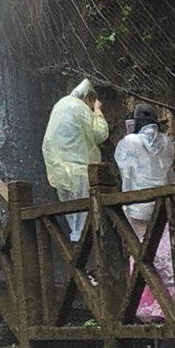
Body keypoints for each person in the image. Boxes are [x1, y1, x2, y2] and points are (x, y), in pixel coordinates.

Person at [42, 78, 109, 239]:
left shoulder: (60, 105)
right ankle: (85, 254)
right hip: (78, 169)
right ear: (89, 99)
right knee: (85, 220)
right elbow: (100, 134)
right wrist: (98, 112)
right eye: (91, 104)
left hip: (56, 169)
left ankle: (76, 253)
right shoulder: (80, 107)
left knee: (72, 215)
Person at [113, 106, 175, 233]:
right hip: (163, 204)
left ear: (136, 122)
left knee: (140, 245)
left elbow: (124, 169)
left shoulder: (130, 141)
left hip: (137, 205)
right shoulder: (166, 141)